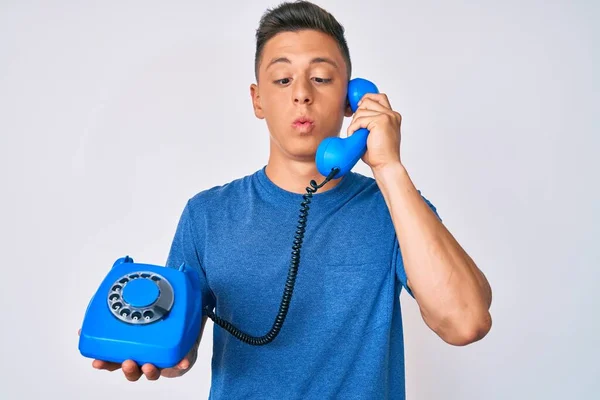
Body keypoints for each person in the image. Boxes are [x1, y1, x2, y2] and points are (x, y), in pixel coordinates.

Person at [85, 1, 492, 398]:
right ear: (257, 99)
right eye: (282, 80)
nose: (301, 94)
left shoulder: (396, 207)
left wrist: (388, 168)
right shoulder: (207, 214)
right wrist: (152, 352)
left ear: (353, 99)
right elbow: (180, 349)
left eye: (321, 78)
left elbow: (465, 322)